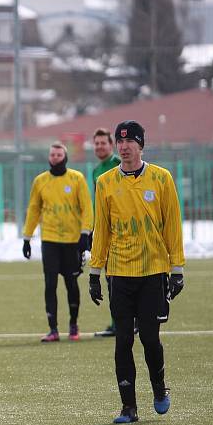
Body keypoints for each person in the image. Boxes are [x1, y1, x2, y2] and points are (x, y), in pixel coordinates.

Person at [88, 120, 185, 424]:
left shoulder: (161, 178)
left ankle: (158, 389)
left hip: (153, 272)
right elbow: (101, 230)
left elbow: (172, 225)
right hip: (119, 273)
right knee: (122, 341)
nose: (125, 146)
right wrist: (94, 272)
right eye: (121, 141)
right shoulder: (105, 183)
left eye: (131, 141)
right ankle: (128, 407)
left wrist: (177, 268)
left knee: (151, 339)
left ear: (141, 144)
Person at [22, 142, 93, 342]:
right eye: (52, 154)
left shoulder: (77, 178)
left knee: (71, 282)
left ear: (65, 156)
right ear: (49, 157)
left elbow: (87, 207)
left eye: (59, 154)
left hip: (72, 240)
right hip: (50, 240)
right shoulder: (40, 181)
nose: (55, 157)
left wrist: (85, 234)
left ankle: (73, 325)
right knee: (50, 284)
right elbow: (34, 209)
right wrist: (27, 238)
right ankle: (53, 329)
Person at [90, 128, 122, 337]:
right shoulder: (96, 171)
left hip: (122, 231)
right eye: (97, 143)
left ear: (111, 145)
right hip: (105, 232)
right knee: (111, 279)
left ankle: (131, 322)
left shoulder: (120, 164)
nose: (100, 147)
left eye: (103, 143)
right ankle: (117, 323)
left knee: (123, 279)